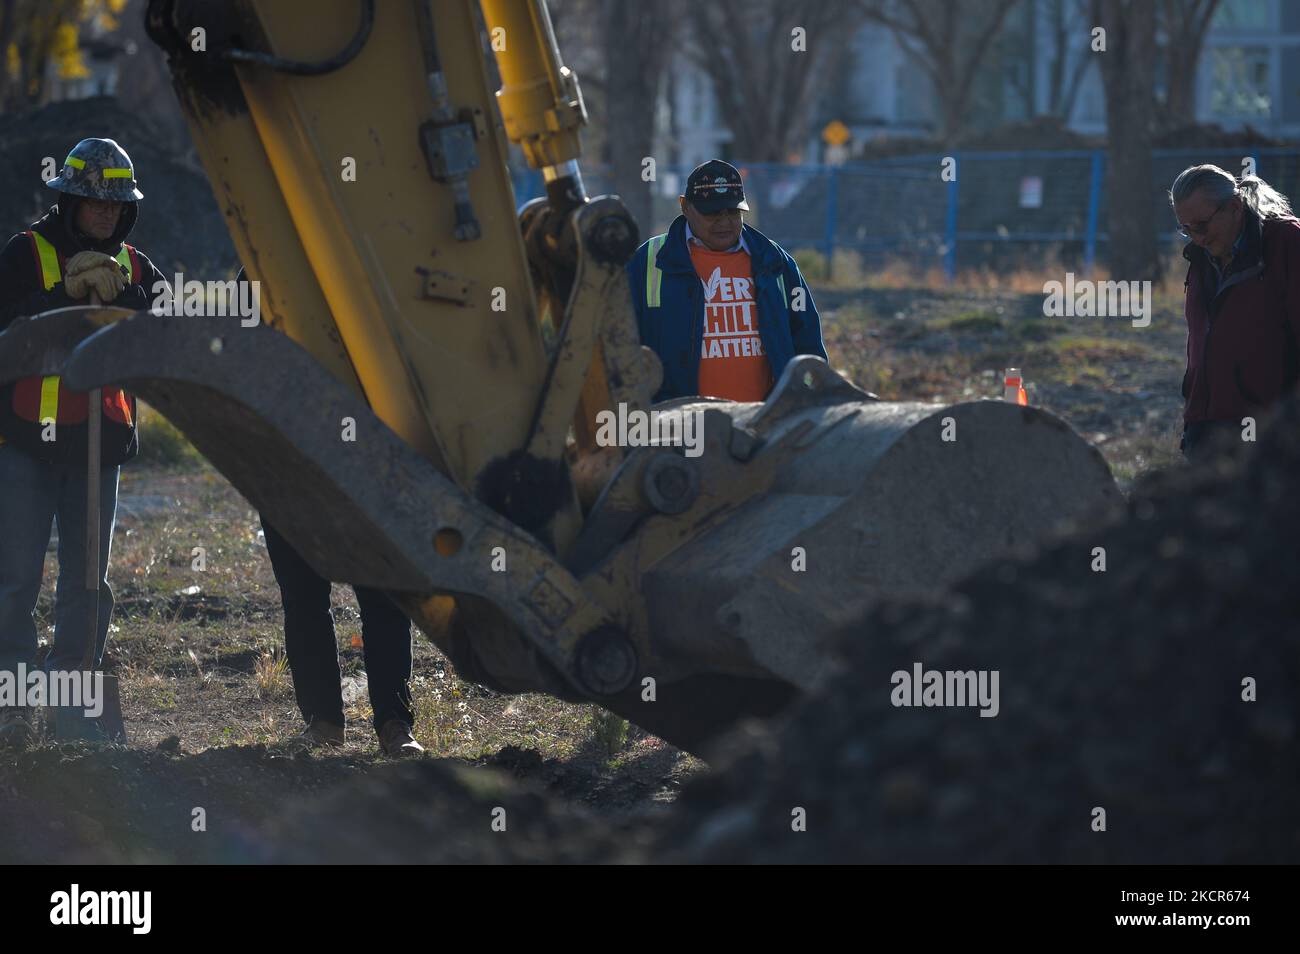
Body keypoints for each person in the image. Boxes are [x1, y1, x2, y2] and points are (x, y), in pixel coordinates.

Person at [0, 138, 172, 750]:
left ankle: (71, 710)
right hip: (26, 442)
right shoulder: (24, 255)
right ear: (69, 200)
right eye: (93, 203)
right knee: (15, 580)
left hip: (99, 448)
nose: (104, 215)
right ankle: (14, 709)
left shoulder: (138, 267)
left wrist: (126, 302)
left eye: (114, 206)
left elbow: (160, 338)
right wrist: (59, 302)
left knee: (86, 585)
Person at [232, 269, 422, 758]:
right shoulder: (256, 272)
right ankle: (322, 723)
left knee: (384, 596)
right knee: (304, 598)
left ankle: (395, 725)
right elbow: (239, 365)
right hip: (285, 464)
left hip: (366, 464)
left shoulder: (363, 264)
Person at [626, 159, 827, 403]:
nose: (724, 222)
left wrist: (806, 403)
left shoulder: (775, 262)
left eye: (732, 212)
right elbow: (621, 346)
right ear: (685, 207)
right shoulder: (649, 261)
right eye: (712, 213)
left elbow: (808, 346)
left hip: (765, 425)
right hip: (680, 427)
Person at [1170, 165, 1300, 460]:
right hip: (1205, 430)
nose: (1197, 238)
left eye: (1201, 226)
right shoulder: (1202, 256)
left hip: (1270, 434)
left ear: (1234, 207)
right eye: (1186, 229)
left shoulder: (1287, 244)